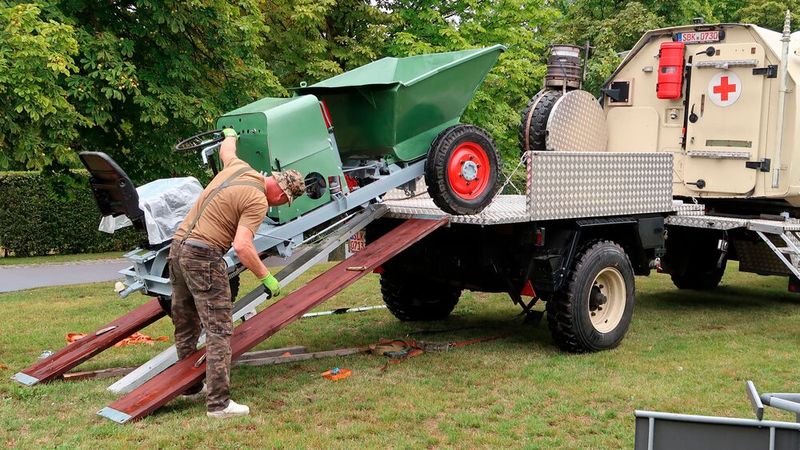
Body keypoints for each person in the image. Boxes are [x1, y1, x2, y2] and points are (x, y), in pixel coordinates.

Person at [168, 127, 305, 419]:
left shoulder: (240, 168)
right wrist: (267, 277)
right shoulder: (258, 200)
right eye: (285, 201)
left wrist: (231, 134)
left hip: (177, 248)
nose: (280, 206)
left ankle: (190, 387)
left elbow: (225, 151)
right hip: (203, 255)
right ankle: (219, 404)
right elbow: (242, 246)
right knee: (219, 329)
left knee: (185, 318)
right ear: (281, 191)